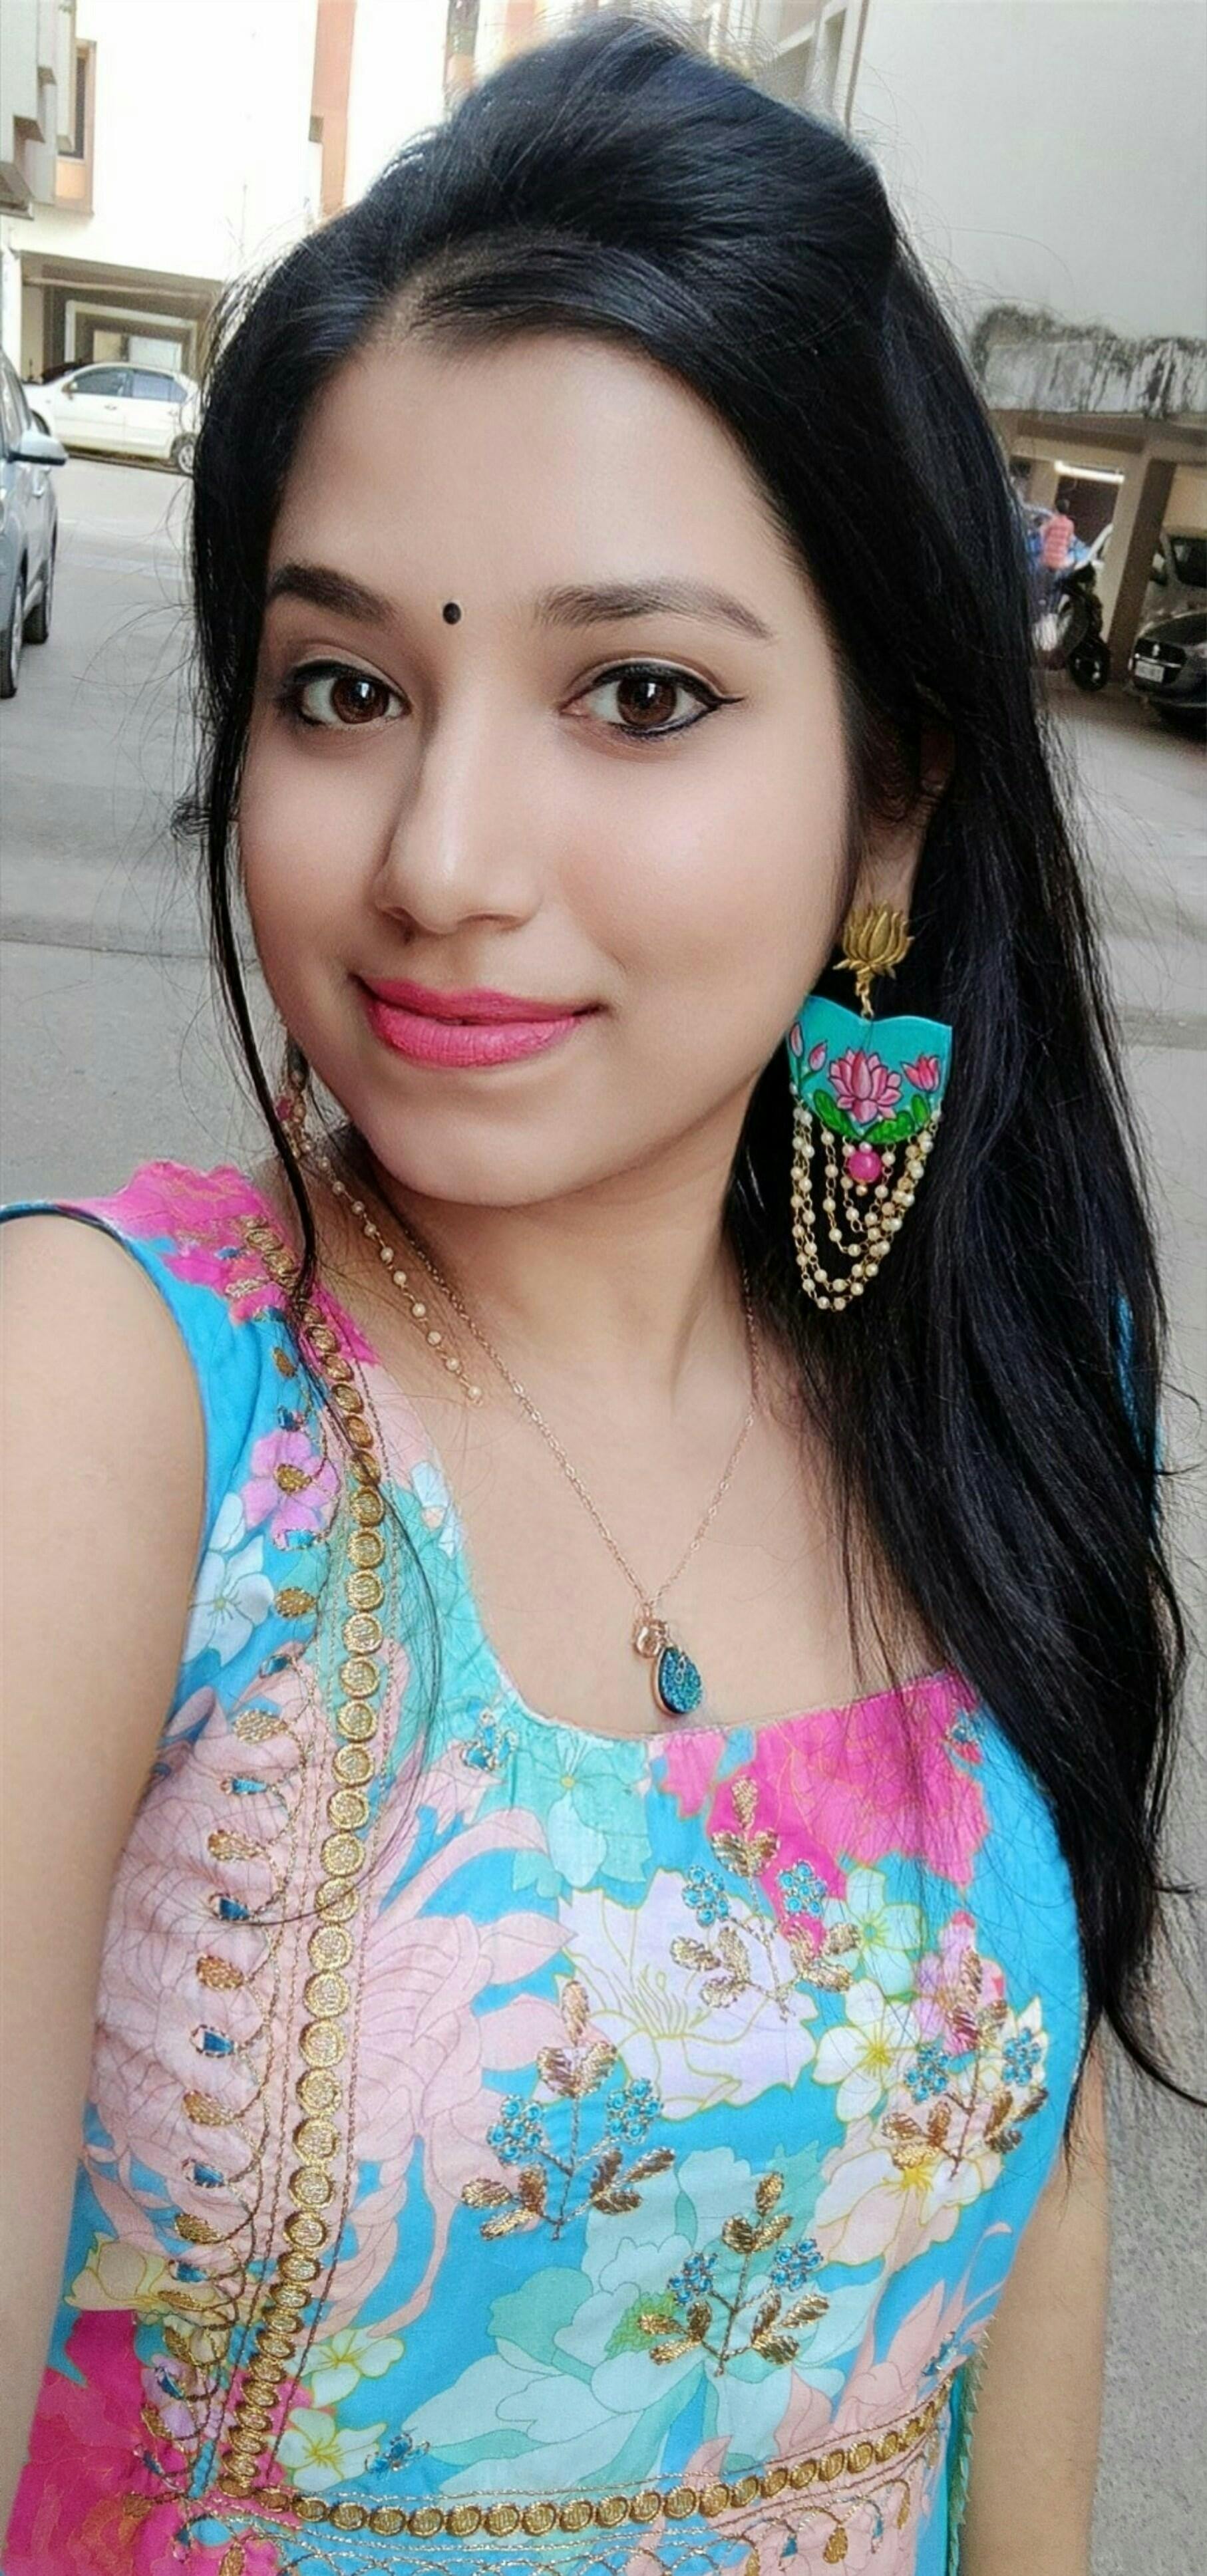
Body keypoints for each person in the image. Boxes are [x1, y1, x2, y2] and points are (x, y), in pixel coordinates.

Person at [0, 15, 1188, 2574]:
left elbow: (1045, 2201)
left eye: (639, 694)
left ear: (895, 793)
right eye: (345, 687)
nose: (440, 855)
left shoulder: (1000, 1368)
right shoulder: (104, 1416)